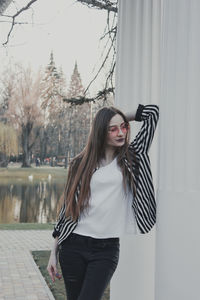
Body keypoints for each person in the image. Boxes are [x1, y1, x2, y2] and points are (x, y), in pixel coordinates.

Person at [47, 103, 159, 300]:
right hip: (73, 244)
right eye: (113, 129)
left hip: (106, 250)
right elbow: (67, 210)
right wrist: (53, 252)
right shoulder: (80, 164)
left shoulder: (132, 157)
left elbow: (152, 113)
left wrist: (121, 116)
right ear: (101, 132)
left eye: (123, 127)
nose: (120, 133)